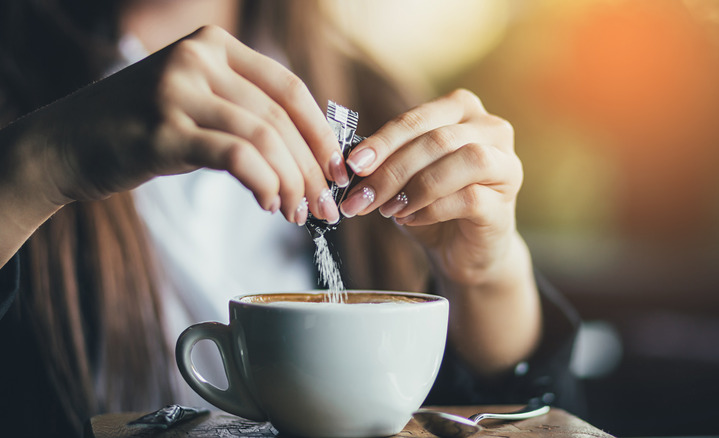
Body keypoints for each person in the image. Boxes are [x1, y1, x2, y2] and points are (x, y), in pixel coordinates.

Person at [0, 1, 580, 436]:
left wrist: (488, 277)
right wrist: (37, 164)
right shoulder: (24, 101)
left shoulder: (376, 104)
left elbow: (511, 409)